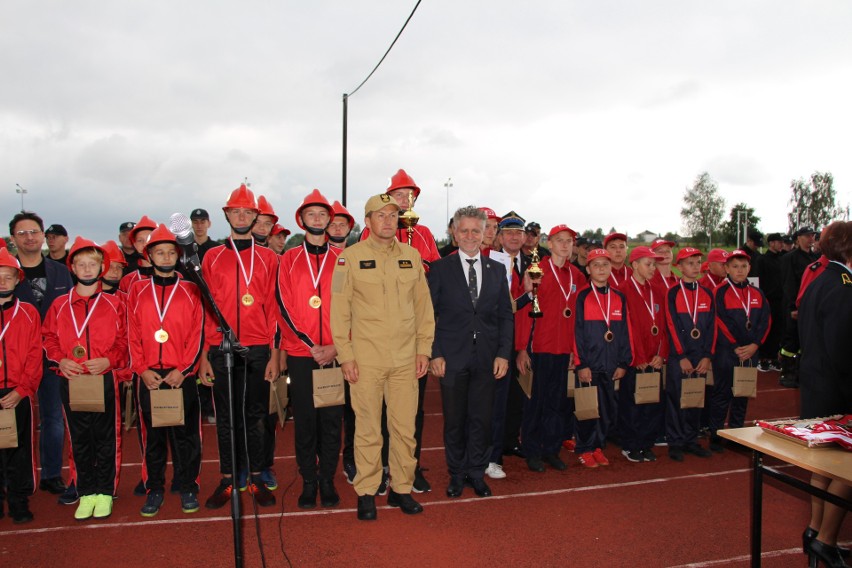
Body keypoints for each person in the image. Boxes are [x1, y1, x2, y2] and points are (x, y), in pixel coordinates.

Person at [330, 193, 435, 521]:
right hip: (367, 360)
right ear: (368, 221)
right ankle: (366, 491)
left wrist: (423, 349)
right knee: (367, 429)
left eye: (393, 215)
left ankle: (401, 489)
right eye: (381, 215)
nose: (388, 221)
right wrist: (345, 356)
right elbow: (339, 313)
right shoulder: (349, 258)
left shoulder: (412, 256)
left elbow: (423, 309)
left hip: (405, 359)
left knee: (405, 428)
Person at [198, 183, 280, 509]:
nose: (242, 215)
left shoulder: (270, 258)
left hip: (258, 347)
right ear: (227, 215)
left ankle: (257, 475)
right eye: (236, 211)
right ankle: (230, 477)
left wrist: (275, 353)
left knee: (257, 415)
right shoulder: (212, 257)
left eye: (248, 211)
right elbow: (206, 309)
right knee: (227, 417)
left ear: (256, 216)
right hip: (222, 348)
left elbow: (275, 309)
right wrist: (205, 354)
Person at [359, 169, 440, 493]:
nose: (406, 200)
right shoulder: (372, 236)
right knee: (378, 408)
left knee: (411, 410)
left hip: (411, 334)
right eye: (400, 195)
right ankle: (378, 470)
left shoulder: (424, 234)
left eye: (410, 195)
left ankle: (410, 466)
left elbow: (433, 279)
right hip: (379, 336)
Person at [428, 206, 513, 498]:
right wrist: (435, 353)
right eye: (463, 230)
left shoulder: (497, 269)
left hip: (488, 358)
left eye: (476, 230)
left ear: (485, 234)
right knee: (454, 420)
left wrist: (503, 354)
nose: (469, 236)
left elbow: (506, 316)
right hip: (451, 357)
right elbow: (429, 316)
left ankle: (476, 473)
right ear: (454, 232)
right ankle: (456, 474)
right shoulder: (439, 269)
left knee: (481, 418)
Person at [42, 237, 128, 520]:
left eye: (93, 263)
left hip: (103, 379)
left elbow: (125, 340)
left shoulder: (115, 304)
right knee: (79, 438)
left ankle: (104, 492)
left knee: (106, 438)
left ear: (102, 267)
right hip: (73, 380)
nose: (87, 268)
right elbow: (48, 338)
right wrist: (61, 360)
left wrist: (110, 360)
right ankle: (86, 491)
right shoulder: (59, 305)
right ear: (72, 267)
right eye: (81, 264)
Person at [127, 225, 205, 517]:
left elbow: (197, 334)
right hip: (149, 376)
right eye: (159, 252)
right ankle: (154, 488)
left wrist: (184, 370)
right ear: (149, 256)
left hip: (179, 375)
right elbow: (131, 333)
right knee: (153, 438)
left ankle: (187, 486)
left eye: (171, 251)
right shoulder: (136, 290)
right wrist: (142, 369)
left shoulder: (190, 289)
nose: (166, 256)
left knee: (186, 436)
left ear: (178, 255)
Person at [277, 189, 343, 509]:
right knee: (305, 421)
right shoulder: (288, 259)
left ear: (330, 220)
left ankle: (328, 478)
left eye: (322, 214)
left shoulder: (342, 259)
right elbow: (282, 304)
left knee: (331, 419)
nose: (316, 219)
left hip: (334, 354)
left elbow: (353, 308)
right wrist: (310, 345)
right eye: (310, 214)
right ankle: (308, 479)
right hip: (302, 355)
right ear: (301, 220)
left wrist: (334, 347)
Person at [797, 221, 852, 567]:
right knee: (845, 469)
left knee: (823, 466)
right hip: (837, 389)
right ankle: (827, 540)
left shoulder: (821, 280)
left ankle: (816, 530)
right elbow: (842, 349)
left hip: (817, 386)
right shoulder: (845, 286)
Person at [10, 211, 74, 498]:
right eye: (22, 233)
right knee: (11, 419)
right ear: (13, 239)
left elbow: (69, 314)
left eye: (34, 231)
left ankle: (50, 474)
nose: (30, 237)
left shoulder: (60, 271)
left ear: (42, 235)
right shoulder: (6, 272)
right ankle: (10, 478)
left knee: (53, 418)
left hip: (51, 357)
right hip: (15, 358)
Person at [515, 224, 586, 473]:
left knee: (557, 404)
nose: (565, 245)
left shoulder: (577, 276)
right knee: (536, 402)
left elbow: (578, 319)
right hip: (539, 348)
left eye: (569, 241)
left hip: (563, 350)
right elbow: (525, 312)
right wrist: (522, 348)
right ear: (551, 243)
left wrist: (574, 353)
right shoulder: (537, 270)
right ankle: (532, 450)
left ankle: (551, 449)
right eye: (560, 240)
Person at [573, 248, 631, 468]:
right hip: (589, 365)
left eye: (605, 265)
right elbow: (576, 332)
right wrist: (582, 364)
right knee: (587, 408)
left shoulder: (619, 297)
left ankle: (598, 446)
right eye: (596, 265)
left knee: (606, 409)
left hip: (611, 364)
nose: (601, 269)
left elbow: (625, 331)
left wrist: (624, 362)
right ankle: (584, 448)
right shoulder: (582, 296)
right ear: (588, 269)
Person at [708, 249, 771, 452]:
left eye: (743, 266)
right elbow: (719, 320)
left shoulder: (757, 293)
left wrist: (755, 345)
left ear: (749, 268)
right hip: (728, 352)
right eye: (735, 266)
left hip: (750, 352)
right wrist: (736, 346)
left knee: (742, 394)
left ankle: (736, 435)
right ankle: (716, 435)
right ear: (726, 269)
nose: (740, 270)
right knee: (722, 393)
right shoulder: (720, 291)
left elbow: (766, 321)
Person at [0, 249, 43, 524]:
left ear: (18, 280)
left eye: (8, 277)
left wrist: (22, 390)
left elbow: (34, 355)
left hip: (17, 393)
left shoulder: (27, 312)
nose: (3, 282)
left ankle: (18, 500)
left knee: (19, 450)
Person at [664, 247, 714, 462]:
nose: (694, 267)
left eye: (697, 263)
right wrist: (680, 355)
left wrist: (707, 356)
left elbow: (712, 327)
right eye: (689, 263)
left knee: (695, 398)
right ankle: (675, 442)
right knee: (676, 399)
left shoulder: (707, 293)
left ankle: (691, 440)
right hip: (680, 357)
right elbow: (671, 325)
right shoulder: (673, 292)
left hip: (700, 356)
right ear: (680, 266)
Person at [619, 246, 668, 463]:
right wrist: (637, 356)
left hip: (654, 358)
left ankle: (646, 443)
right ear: (635, 265)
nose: (653, 269)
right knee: (632, 404)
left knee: (652, 403)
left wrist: (662, 354)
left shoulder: (657, 290)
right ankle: (630, 444)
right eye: (648, 264)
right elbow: (625, 327)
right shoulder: (623, 290)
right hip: (635, 360)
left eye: (654, 265)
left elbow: (665, 325)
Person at [779, 226, 819, 387]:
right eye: (807, 236)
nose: (811, 238)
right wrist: (792, 308)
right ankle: (787, 373)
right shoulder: (790, 258)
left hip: (810, 306)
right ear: (798, 239)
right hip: (795, 307)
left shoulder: (816, 257)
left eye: (812, 236)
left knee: (805, 341)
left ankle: (800, 373)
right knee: (791, 341)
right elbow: (789, 284)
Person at [757, 233, 786, 371]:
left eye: (782, 242)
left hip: (780, 301)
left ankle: (774, 358)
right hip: (767, 300)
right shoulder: (762, 260)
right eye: (778, 242)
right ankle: (763, 359)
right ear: (771, 243)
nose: (781, 244)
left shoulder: (783, 259)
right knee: (766, 329)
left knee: (777, 330)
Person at [119, 215, 158, 293]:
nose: (145, 244)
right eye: (140, 240)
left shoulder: (175, 277)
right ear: (134, 244)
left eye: (149, 239)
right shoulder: (127, 281)